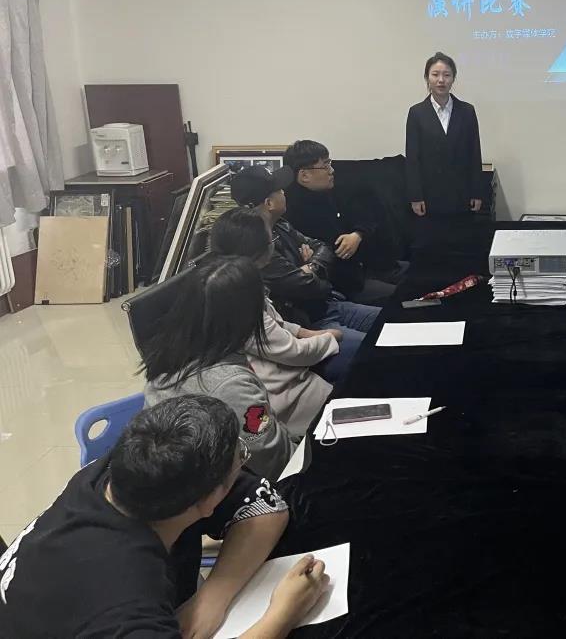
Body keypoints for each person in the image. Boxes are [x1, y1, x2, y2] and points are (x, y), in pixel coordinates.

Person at [0, 395, 328, 638]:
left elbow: (266, 507)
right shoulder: (123, 601)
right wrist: (283, 614)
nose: (242, 466)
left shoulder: (127, 472)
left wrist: (212, 597)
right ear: (208, 501)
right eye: (239, 458)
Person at [142, 255, 298, 480]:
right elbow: (276, 461)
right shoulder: (232, 386)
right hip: (202, 485)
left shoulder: (172, 349)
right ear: (248, 314)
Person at [210, 207, 345, 430]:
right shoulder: (237, 298)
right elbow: (293, 352)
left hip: (294, 358)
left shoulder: (233, 281)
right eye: (271, 240)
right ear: (260, 251)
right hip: (285, 393)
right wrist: (330, 337)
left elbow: (274, 324)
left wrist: (305, 333)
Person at [229, 164, 382, 338]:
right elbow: (312, 287)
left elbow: (323, 247)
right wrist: (315, 270)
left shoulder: (281, 224)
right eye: (279, 190)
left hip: (328, 306)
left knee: (393, 319)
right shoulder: (257, 248)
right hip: (307, 324)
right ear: (269, 203)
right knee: (375, 346)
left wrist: (310, 266)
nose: (284, 192)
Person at [282, 139, 406, 305]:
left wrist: (358, 234)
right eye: (325, 166)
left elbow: (369, 214)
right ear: (304, 176)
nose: (332, 170)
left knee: (423, 275)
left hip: (371, 265)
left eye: (330, 163)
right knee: (406, 294)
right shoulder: (294, 212)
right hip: (346, 284)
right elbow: (328, 258)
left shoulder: (333, 191)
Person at [405, 51, 486, 217]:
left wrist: (477, 192)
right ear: (427, 78)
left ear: (453, 78)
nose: (441, 80)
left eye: (447, 75)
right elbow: (412, 158)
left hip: (462, 194)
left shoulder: (467, 111)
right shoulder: (417, 113)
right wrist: (415, 196)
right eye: (435, 74)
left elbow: (474, 153)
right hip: (429, 197)